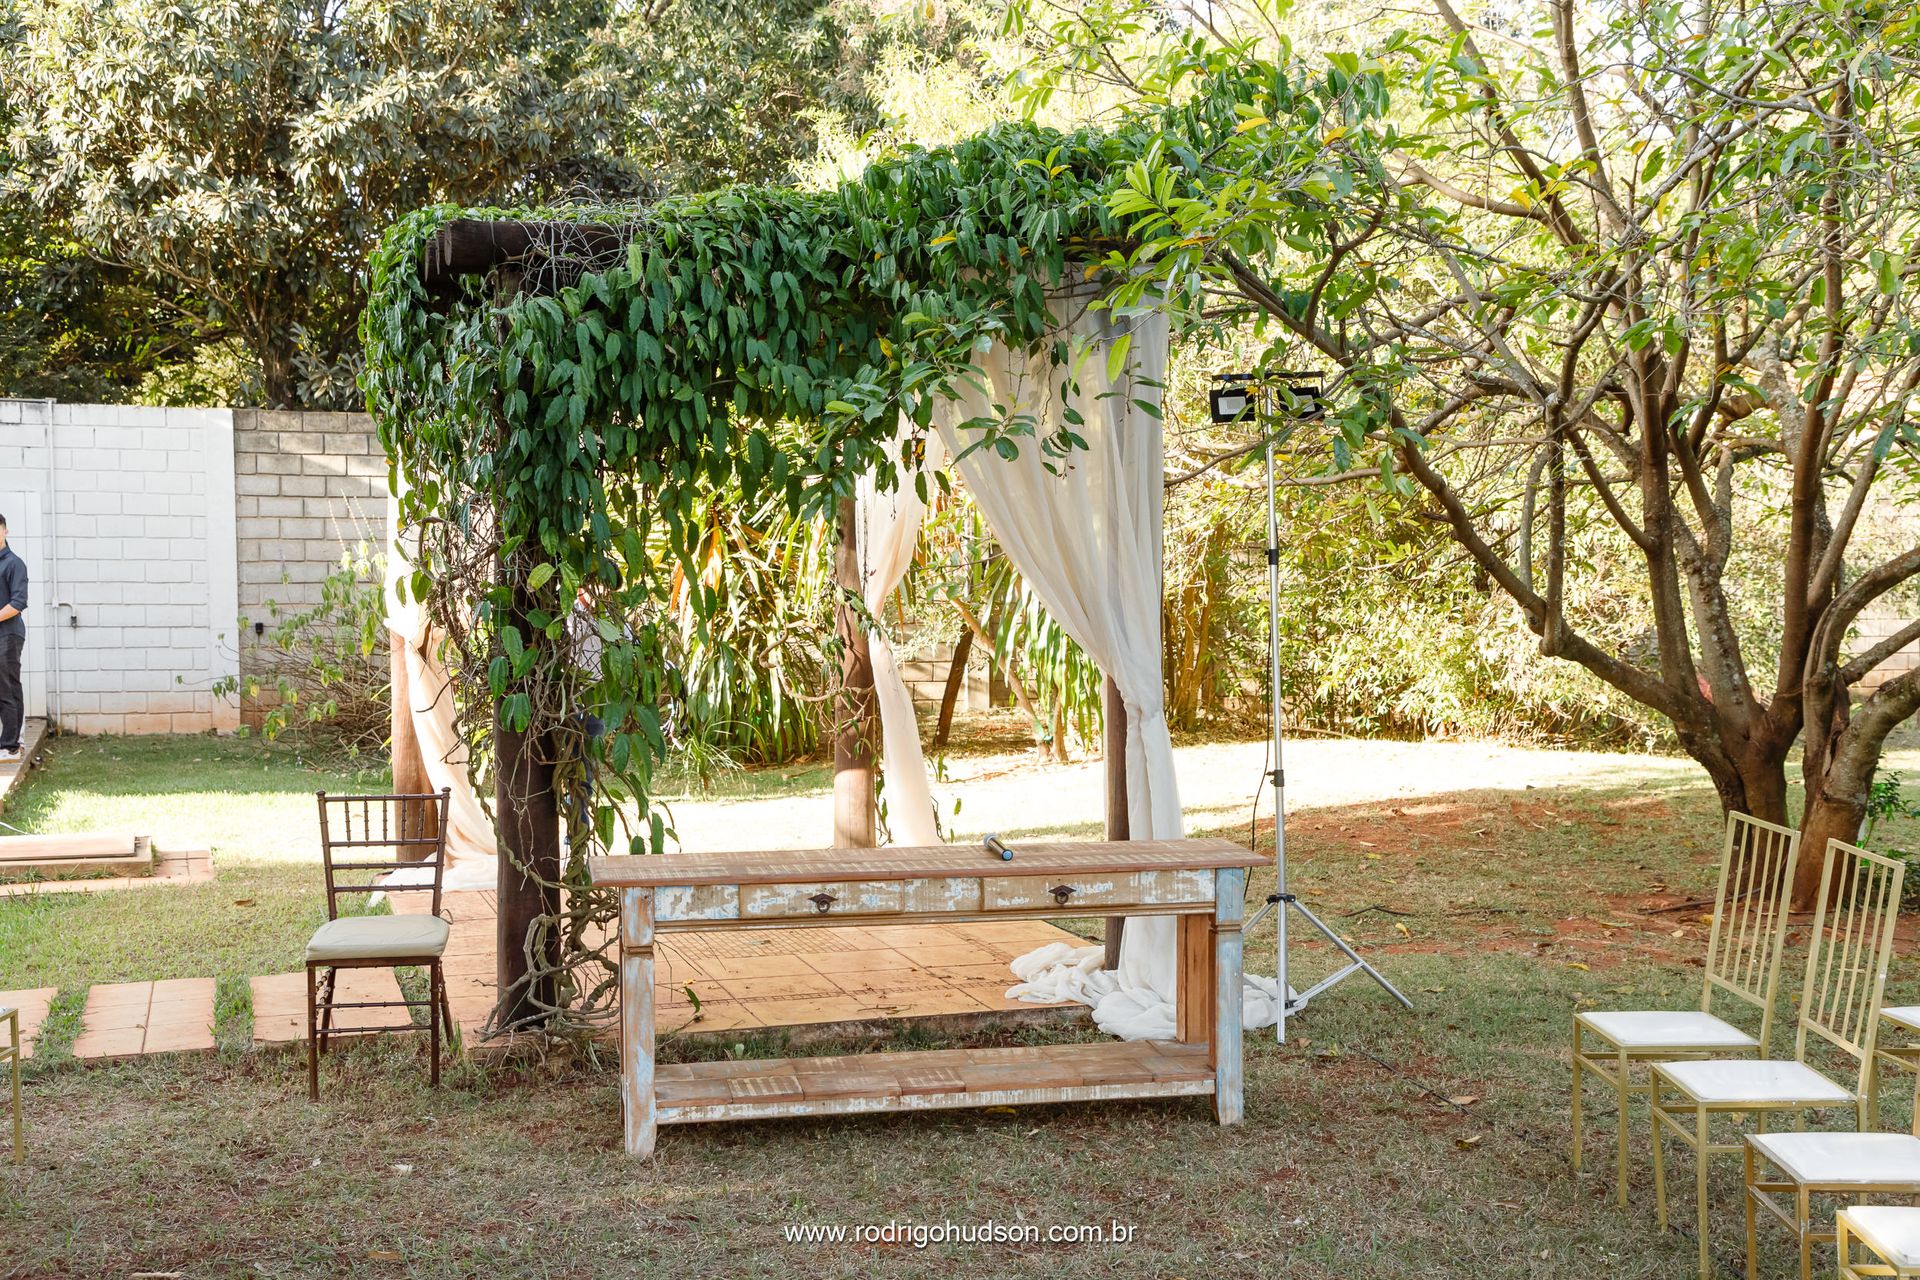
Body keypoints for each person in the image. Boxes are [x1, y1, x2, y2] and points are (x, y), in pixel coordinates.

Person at [0, 513, 26, 764]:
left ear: (5, 531)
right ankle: (9, 740)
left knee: (7, 687)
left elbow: (18, 603)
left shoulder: (14, 563)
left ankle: (10, 745)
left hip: (9, 634)